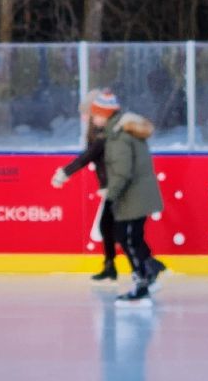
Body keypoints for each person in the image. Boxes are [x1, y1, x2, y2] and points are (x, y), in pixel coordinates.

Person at [86, 90, 166, 304]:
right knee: (130, 237)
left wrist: (110, 196)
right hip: (136, 195)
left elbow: (122, 172)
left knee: (128, 238)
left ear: (104, 115)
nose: (93, 119)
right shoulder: (119, 131)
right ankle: (149, 273)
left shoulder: (119, 136)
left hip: (133, 196)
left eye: (96, 114)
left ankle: (143, 283)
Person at [51, 90, 123, 282]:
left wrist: (65, 172)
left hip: (117, 186)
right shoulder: (96, 131)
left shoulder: (105, 133)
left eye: (87, 113)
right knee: (107, 228)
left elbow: (88, 156)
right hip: (110, 186)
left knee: (116, 229)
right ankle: (110, 265)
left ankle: (145, 264)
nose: (84, 117)